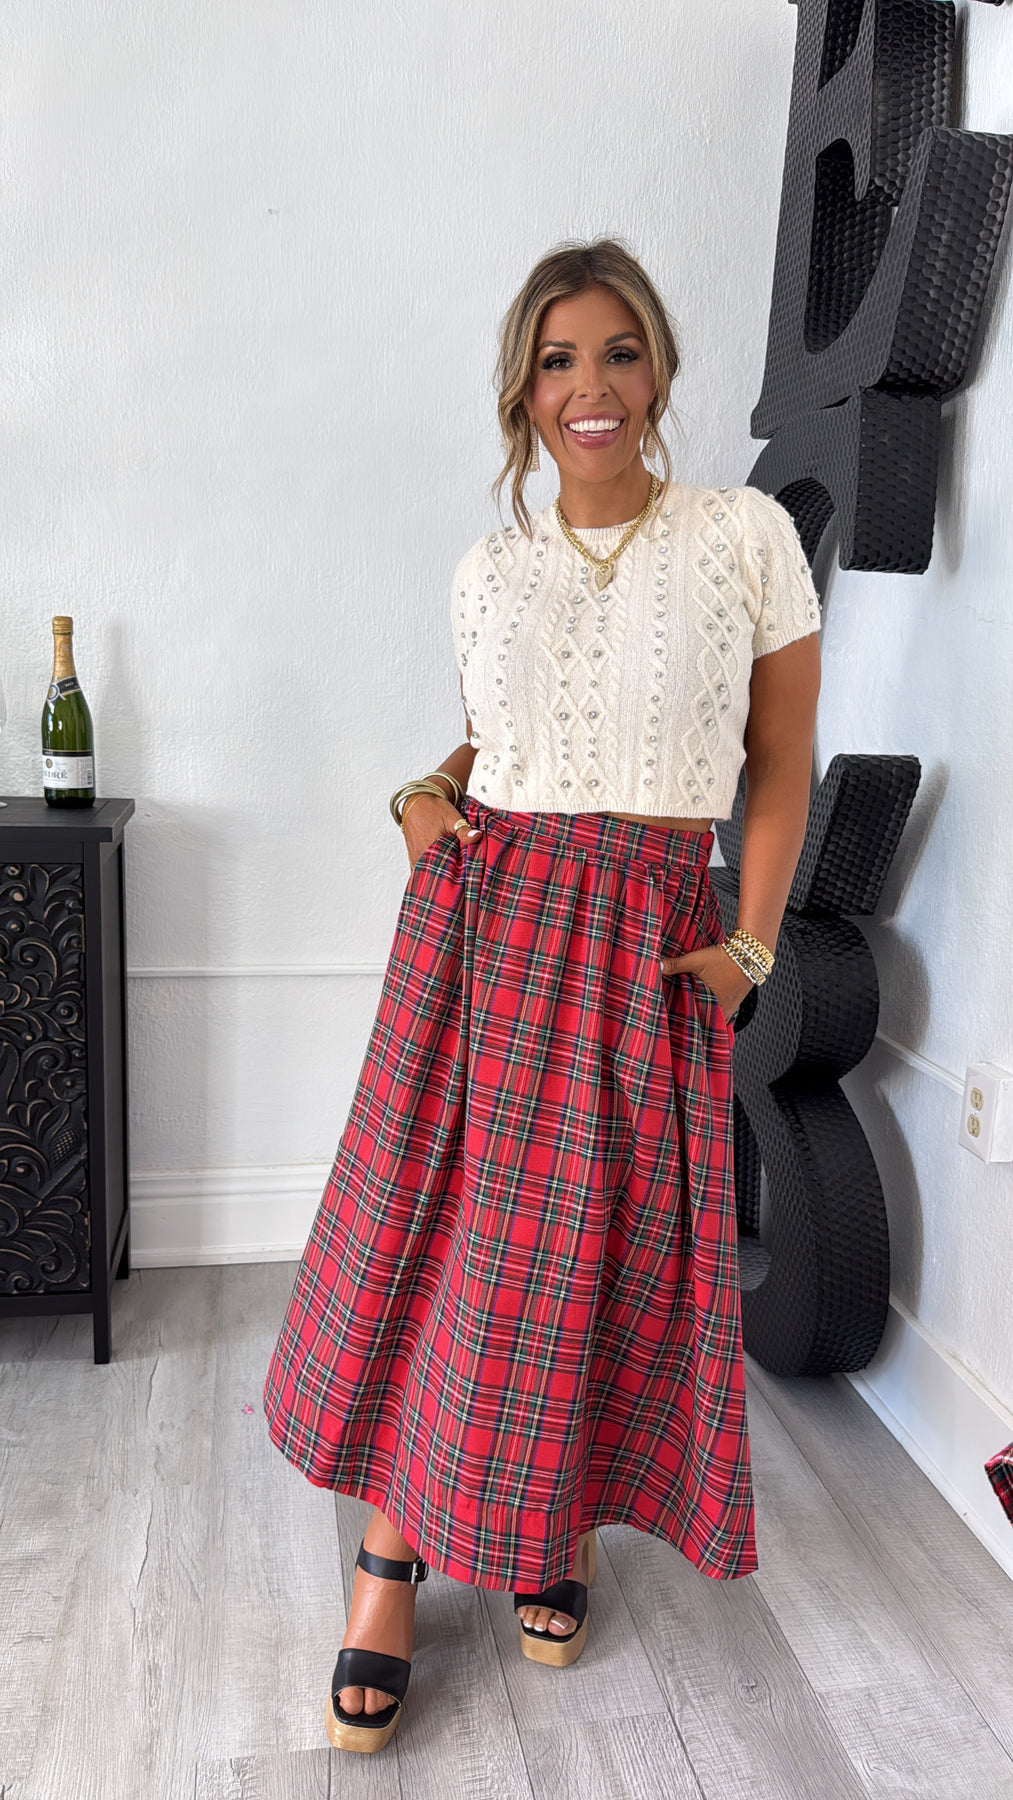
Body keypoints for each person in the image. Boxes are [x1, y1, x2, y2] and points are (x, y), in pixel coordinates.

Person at [263, 238, 822, 1755]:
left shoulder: (743, 536)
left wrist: (752, 945)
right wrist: (422, 789)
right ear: (522, 390)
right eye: (559, 359)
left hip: (648, 937)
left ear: (659, 370)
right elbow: (501, 735)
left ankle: (545, 1525)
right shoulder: (490, 567)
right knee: (453, 1245)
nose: (593, 386)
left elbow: (779, 764)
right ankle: (387, 1567)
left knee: (599, 1250)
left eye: (619, 352)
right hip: (490, 928)